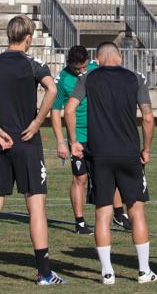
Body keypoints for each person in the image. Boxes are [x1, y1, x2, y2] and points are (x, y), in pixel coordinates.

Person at [0, 15, 63, 285]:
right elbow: (52, 90)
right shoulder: (33, 64)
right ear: (28, 38)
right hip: (27, 141)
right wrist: (36, 121)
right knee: (36, 208)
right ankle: (44, 273)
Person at [66, 42, 157, 285]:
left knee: (102, 213)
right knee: (136, 210)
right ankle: (143, 271)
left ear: (97, 58)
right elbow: (148, 117)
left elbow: (69, 109)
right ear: (120, 56)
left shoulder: (88, 79)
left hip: (99, 154)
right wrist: (146, 149)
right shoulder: (134, 79)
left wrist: (74, 141)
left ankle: (107, 273)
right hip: (129, 153)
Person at [52, 45, 129, 235]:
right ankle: (79, 222)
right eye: (76, 68)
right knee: (80, 178)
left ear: (89, 61)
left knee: (112, 174)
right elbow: (55, 112)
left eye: (83, 67)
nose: (80, 71)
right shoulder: (62, 79)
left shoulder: (97, 70)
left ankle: (119, 214)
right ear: (69, 63)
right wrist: (62, 141)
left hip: (102, 134)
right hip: (78, 137)